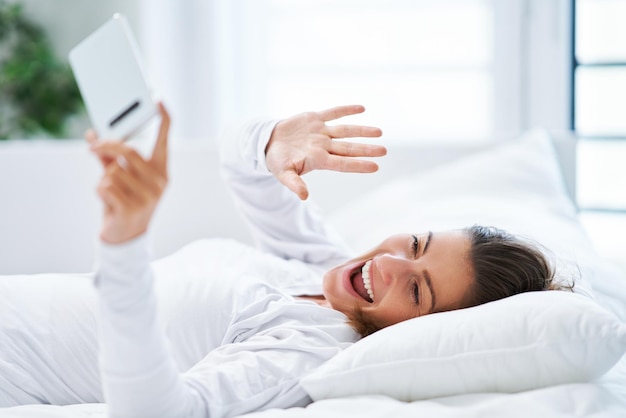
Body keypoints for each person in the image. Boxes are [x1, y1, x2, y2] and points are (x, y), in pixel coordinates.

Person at [0, 103, 563, 417]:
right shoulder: (323, 271)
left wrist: (125, 246)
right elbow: (237, 162)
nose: (391, 263)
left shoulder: (310, 350)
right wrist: (270, 139)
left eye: (417, 291)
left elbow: (159, 414)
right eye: (415, 244)